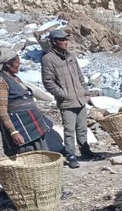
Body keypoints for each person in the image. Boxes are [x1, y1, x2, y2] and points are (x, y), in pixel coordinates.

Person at [41, 29, 101, 167]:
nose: (66, 42)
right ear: (54, 42)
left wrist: (85, 91)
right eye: (62, 40)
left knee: (82, 128)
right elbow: (48, 82)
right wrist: (63, 94)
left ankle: (85, 151)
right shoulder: (48, 59)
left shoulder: (71, 56)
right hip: (66, 101)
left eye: (66, 39)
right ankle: (71, 155)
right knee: (69, 130)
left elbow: (80, 76)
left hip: (80, 98)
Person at [0, 49, 60, 159]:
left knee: (41, 155)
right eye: (17, 62)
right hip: (20, 127)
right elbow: (2, 109)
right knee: (28, 157)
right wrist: (13, 132)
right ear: (7, 64)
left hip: (31, 125)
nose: (19, 65)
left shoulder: (13, 77)